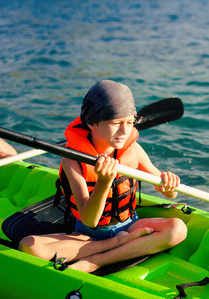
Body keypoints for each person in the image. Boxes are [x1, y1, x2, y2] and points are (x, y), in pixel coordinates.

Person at [19, 80, 187, 273]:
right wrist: (104, 182)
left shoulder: (133, 150)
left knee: (178, 229)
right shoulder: (71, 160)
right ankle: (117, 243)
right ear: (91, 123)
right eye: (116, 123)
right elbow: (89, 220)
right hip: (89, 235)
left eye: (130, 123)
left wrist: (168, 185)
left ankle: (97, 261)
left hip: (130, 225)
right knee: (30, 246)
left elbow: (169, 193)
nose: (125, 131)